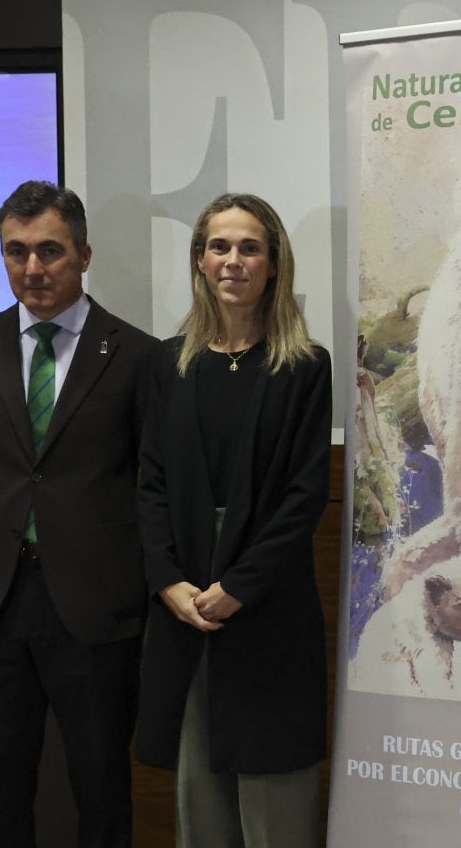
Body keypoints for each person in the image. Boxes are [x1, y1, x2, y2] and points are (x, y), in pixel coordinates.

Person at [0, 180, 158, 848]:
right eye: (15, 251)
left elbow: (155, 488)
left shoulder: (137, 354)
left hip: (93, 606)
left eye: (49, 250)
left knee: (102, 789)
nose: (32, 268)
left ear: (83, 253)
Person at [136, 192, 332, 848]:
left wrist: (239, 586)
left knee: (276, 810)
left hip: (267, 609)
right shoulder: (169, 364)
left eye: (250, 247)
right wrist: (170, 583)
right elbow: (151, 483)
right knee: (202, 809)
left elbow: (305, 493)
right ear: (199, 260)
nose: (233, 260)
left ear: (274, 263)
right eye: (220, 246)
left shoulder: (306, 365)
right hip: (188, 614)